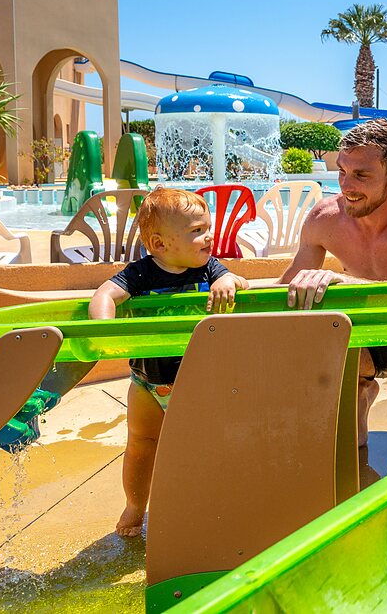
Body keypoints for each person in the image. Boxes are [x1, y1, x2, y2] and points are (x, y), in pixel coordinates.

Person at [281, 118, 387, 469]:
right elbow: (287, 290)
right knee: (314, 323)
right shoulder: (324, 218)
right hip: (358, 338)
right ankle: (359, 392)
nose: (346, 185)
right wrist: (230, 285)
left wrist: (341, 282)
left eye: (362, 175)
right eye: (342, 171)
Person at [89, 187, 249, 537]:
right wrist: (105, 332)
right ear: (160, 244)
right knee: (140, 446)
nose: (209, 236)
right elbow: (105, 294)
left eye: (207, 227)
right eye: (197, 231)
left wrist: (226, 279)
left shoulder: (210, 270)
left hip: (199, 385)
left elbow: (239, 280)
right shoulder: (141, 273)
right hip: (146, 382)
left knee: (203, 451)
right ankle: (134, 505)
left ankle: (205, 506)